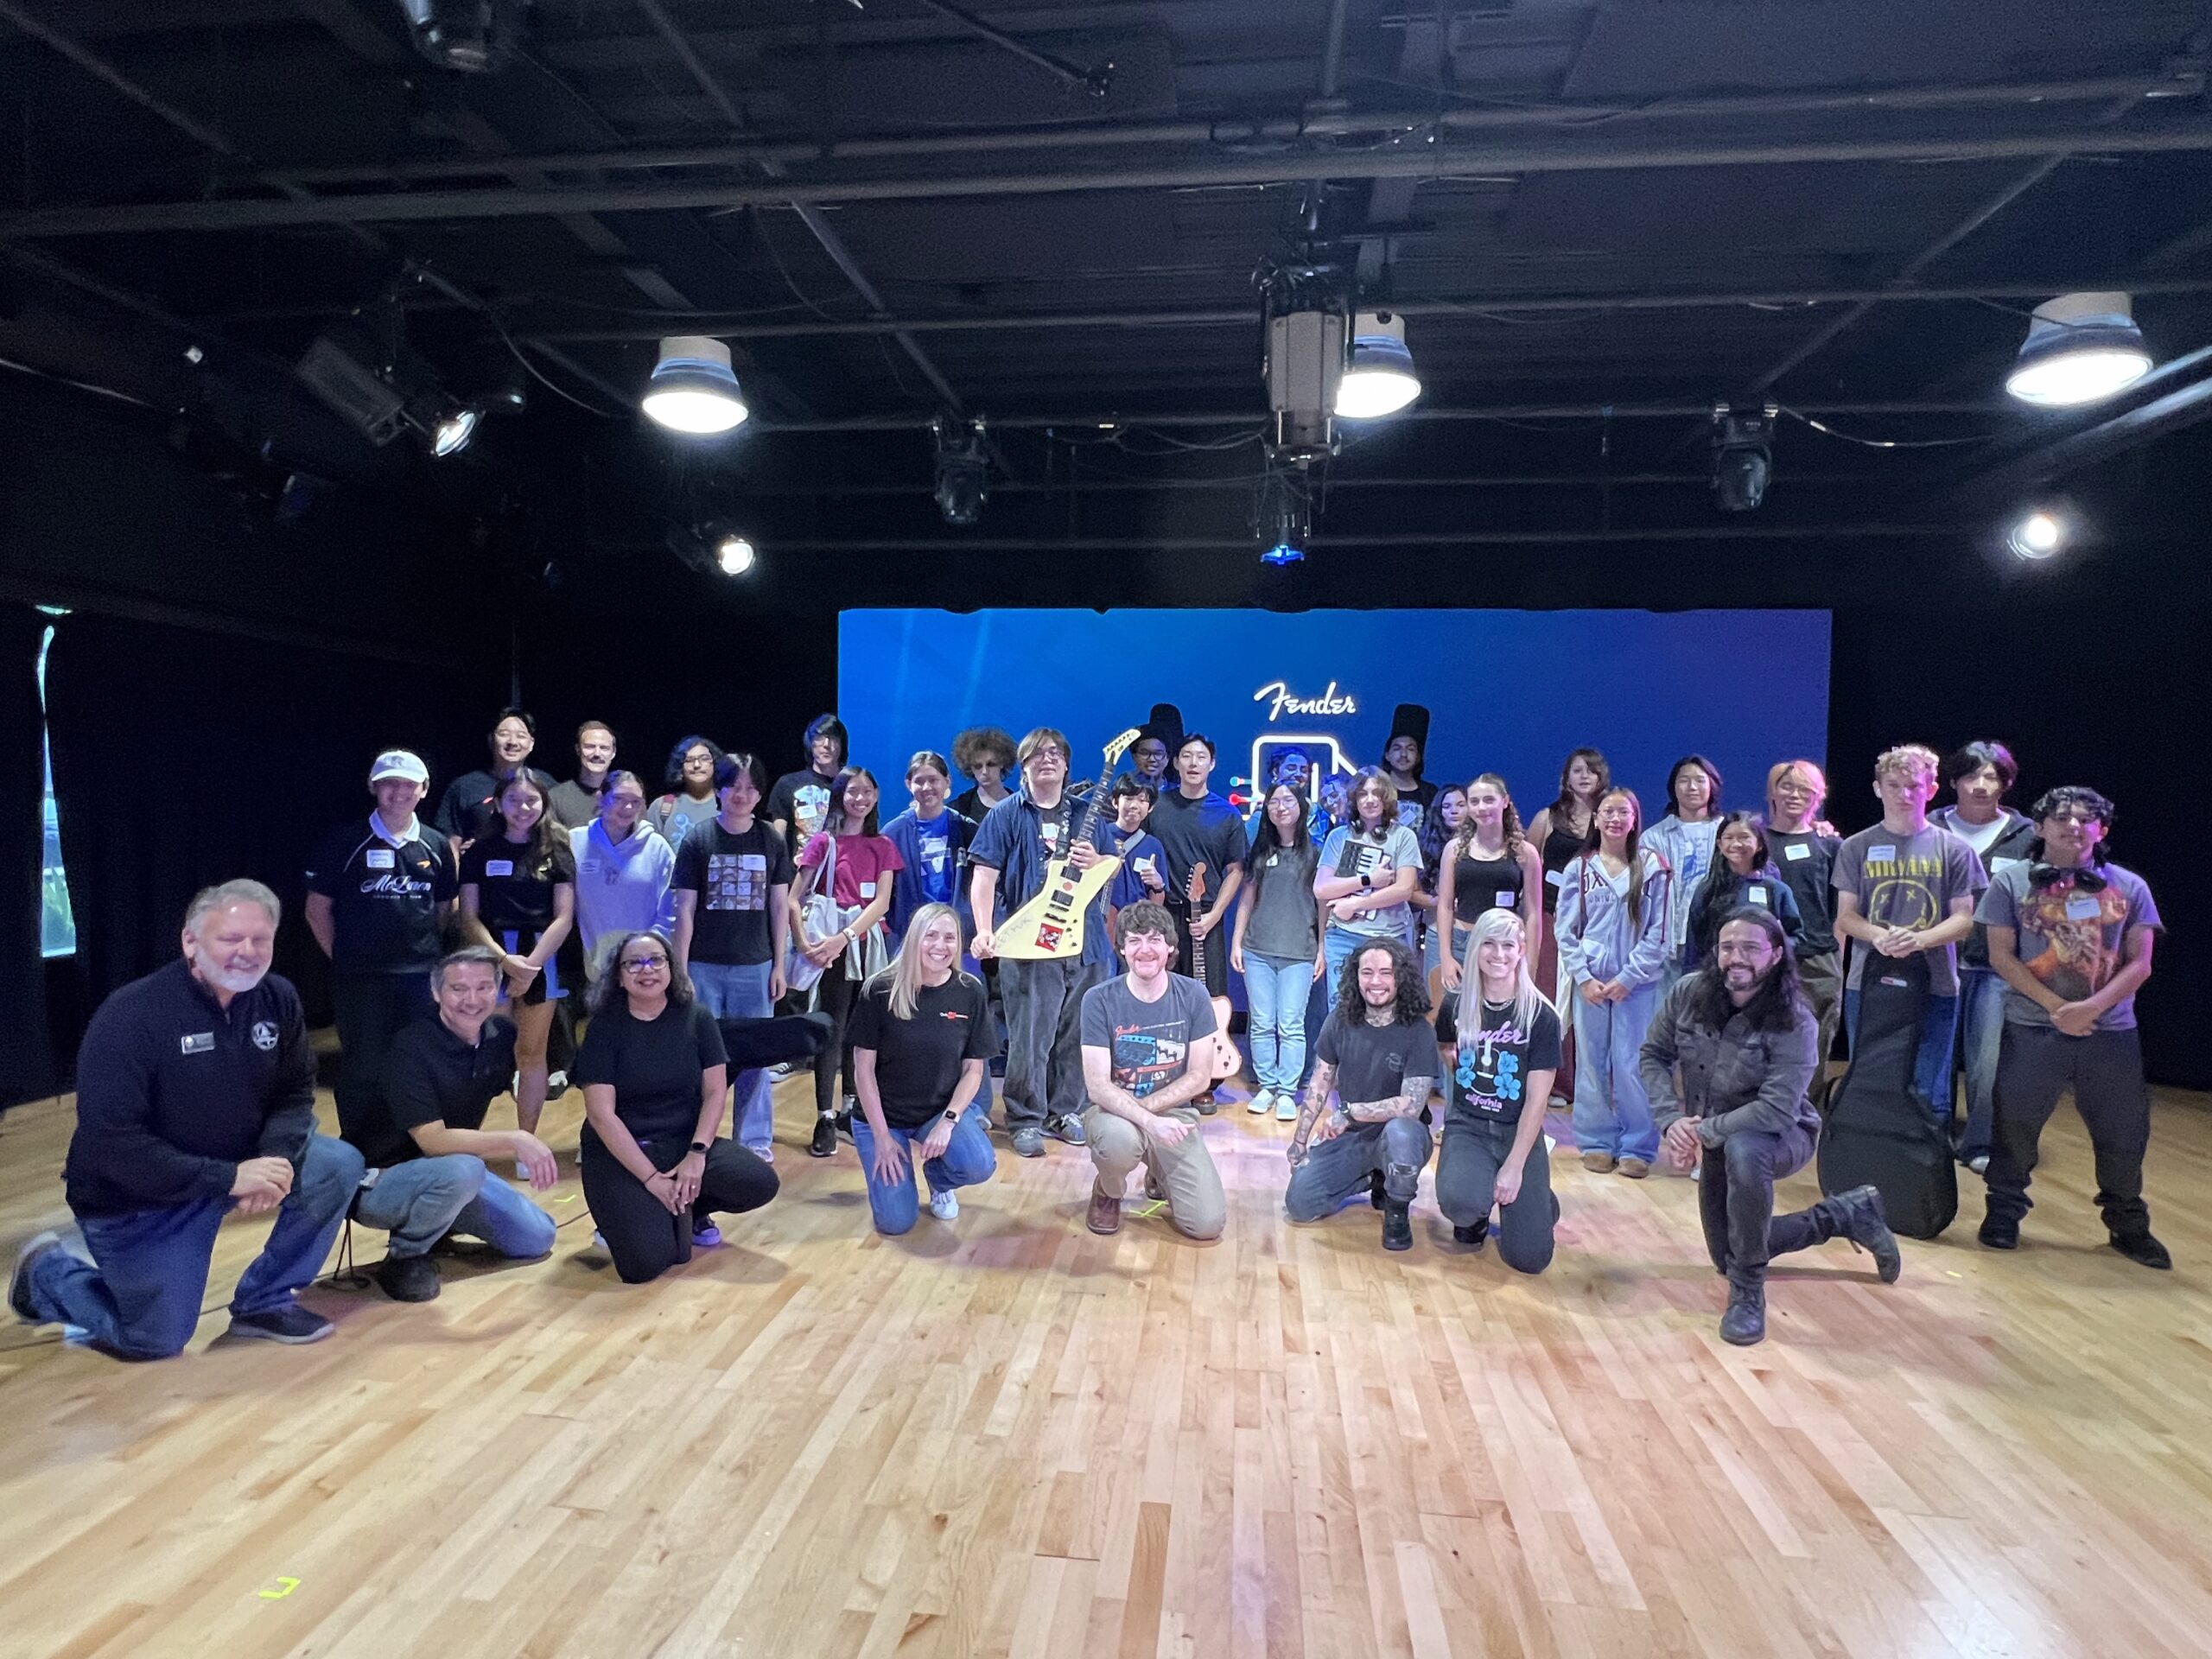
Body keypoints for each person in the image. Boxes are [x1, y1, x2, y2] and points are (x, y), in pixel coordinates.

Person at [10, 881, 364, 1357]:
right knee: (154, 1338)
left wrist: (273, 1162)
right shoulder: (132, 1015)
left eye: (261, 940)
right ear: (190, 942)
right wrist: (229, 1178)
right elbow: (112, 1143)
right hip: (139, 1198)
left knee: (336, 1164)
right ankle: (49, 1273)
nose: (248, 952)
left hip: (235, 1168)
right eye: (231, 939)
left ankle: (266, 1300)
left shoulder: (278, 998)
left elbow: (295, 1093)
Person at [1647, 907, 1901, 1345]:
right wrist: (1672, 1121)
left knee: (1746, 1149)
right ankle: (1844, 1214)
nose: (1736, 957)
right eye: (1728, 947)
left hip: (1783, 1135)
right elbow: (1653, 1054)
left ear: (1776, 954)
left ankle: (1748, 1295)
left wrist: (1700, 1131)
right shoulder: (1688, 992)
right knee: (1728, 1253)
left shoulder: (1796, 1019)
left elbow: (1776, 1110)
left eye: (1750, 947)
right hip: (1716, 1135)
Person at [1976, 787, 2168, 1268]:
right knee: (2014, 1126)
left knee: (2124, 1133)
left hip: (2111, 1032)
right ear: (2039, 827)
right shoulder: (2011, 883)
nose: (2074, 825)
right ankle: (2003, 1214)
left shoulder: (2130, 886)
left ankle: (2128, 1224)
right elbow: (2001, 955)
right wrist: (2058, 1006)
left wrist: (2092, 1009)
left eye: (2088, 819)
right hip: (2032, 1027)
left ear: (2102, 831)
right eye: (2062, 817)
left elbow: (2140, 963)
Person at [345, 947, 560, 1301]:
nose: (471, 999)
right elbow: (433, 1140)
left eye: (483, 987)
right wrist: (518, 1138)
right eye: (458, 989)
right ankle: (405, 1255)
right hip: (380, 1180)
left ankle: (440, 1222)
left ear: (498, 990)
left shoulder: (501, 1036)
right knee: (465, 1169)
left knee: (537, 1237)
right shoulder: (409, 1046)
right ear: (436, 992)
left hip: (448, 1173)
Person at [574, 931, 779, 1285]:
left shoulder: (697, 1018)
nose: (647, 969)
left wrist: (697, 1155)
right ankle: (619, 1219)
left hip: (683, 1142)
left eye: (656, 960)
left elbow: (715, 1093)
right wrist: (652, 1180)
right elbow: (601, 1116)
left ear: (671, 968)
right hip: (622, 1151)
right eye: (634, 963)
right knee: (646, 1264)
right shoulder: (604, 1028)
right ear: (619, 977)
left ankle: (691, 1207)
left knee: (758, 1182)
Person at [306, 748, 458, 1155]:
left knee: (418, 1062)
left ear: (423, 790)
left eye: (408, 784)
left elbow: (444, 910)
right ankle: (361, 1150)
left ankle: (414, 1144)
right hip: (361, 978)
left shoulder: (436, 844)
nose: (399, 792)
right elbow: (317, 910)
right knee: (362, 1066)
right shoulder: (346, 841)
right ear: (373, 787)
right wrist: (342, 956)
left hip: (420, 978)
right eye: (390, 783)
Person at [1833, 744, 1986, 1128]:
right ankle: (1871, 1157)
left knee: (1929, 1080)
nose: (1904, 794)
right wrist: (1880, 936)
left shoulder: (1955, 849)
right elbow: (1847, 917)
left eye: (1914, 786)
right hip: (1867, 982)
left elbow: (1965, 919)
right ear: (1877, 788)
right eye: (1894, 784)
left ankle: (1922, 1163)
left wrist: (1919, 940)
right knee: (1870, 1072)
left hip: (1936, 983)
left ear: (1931, 790)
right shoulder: (1857, 846)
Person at [969, 727, 1107, 1157]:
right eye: (1037, 754)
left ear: (1067, 765)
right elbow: (984, 877)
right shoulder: (1006, 814)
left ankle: (1065, 1110)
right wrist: (984, 929)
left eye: (1056, 754)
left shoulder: (1088, 815)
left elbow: (1107, 871)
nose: (1047, 760)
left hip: (1084, 942)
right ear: (1024, 765)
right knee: (1030, 1035)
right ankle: (1025, 1116)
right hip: (1030, 942)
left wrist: (1097, 860)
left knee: (1075, 1033)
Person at [1077, 901, 1225, 1241]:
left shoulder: (1193, 994)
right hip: (1113, 1114)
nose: (1145, 950)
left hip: (1174, 1118)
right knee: (1118, 1142)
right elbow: (1098, 1087)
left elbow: (1200, 1077)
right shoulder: (1098, 999)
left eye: (1155, 940)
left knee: (1206, 1225)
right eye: (1134, 941)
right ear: (1122, 949)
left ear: (1171, 946)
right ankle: (1108, 1190)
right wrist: (1147, 1122)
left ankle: (1159, 1171)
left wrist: (1150, 1115)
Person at [848, 904, 998, 1234]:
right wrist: (882, 1136)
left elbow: (974, 1070)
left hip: (938, 1112)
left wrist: (948, 1122)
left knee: (979, 1165)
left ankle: (938, 1179)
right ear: (915, 938)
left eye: (949, 938)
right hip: (884, 1119)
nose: (940, 946)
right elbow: (863, 1072)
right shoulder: (879, 989)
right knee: (896, 1223)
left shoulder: (969, 990)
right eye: (931, 936)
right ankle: (896, 1179)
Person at [671, 753, 792, 1160]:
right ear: (719, 789)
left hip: (755, 966)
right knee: (697, 1056)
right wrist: (680, 968)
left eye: (750, 787)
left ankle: (754, 1140)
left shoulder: (771, 840)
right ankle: (688, 1134)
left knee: (755, 1057)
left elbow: (779, 908)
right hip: (702, 966)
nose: (741, 795)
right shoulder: (698, 839)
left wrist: (779, 964)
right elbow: (684, 910)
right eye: (733, 786)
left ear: (760, 793)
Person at [1284, 937, 1438, 1251]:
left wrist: (1349, 1111)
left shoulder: (1419, 1031)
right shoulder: (1339, 1020)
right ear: (1356, 977)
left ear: (1400, 978)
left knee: (1401, 1135)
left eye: (1386, 973)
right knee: (1299, 1204)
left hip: (1401, 1134)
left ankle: (1397, 1208)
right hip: (1353, 1136)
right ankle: (1375, 1176)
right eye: (1367, 973)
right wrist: (1299, 1142)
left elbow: (1410, 1106)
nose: (1376, 982)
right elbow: (1319, 1083)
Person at [1433, 911, 1561, 1273]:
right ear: (1475, 948)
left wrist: (1516, 1167)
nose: (1498, 953)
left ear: (1521, 950)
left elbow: (1537, 1102)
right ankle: (1475, 1208)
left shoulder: (1540, 1016)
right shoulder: (1455, 1004)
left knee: (1530, 1259)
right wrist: (1456, 1062)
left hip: (1516, 1131)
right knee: (1460, 1202)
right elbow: (1446, 1045)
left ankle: (1539, 1203)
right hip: (1468, 1125)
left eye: (1508, 945)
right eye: (1489, 943)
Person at [1932, 741, 2038, 1173]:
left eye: (1992, 776)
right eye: (1972, 775)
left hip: (1997, 966)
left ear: (2005, 783)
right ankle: (1931, 1138)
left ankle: (1978, 1142)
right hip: (1935, 961)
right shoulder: (1930, 826)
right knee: (1934, 1055)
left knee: (1988, 1061)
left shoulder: (2029, 835)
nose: (1981, 785)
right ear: (1954, 781)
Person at [1555, 787, 1672, 1175]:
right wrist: (1584, 977)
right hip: (1590, 986)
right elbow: (1565, 930)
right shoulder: (1581, 868)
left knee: (1632, 1064)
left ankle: (1638, 1146)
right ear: (1596, 818)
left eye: (1623, 812)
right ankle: (1596, 1141)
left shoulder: (1653, 866)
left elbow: (1659, 933)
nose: (1615, 819)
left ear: (1635, 818)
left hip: (1636, 986)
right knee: (1591, 1063)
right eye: (1608, 811)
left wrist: (1628, 976)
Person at [457, 770, 575, 1141]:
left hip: (542, 957)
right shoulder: (479, 850)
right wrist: (504, 962)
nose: (523, 808)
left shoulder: (557, 849)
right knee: (483, 1054)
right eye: (514, 800)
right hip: (489, 958)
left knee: (532, 1054)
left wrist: (530, 965)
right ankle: (465, 1138)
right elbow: (468, 916)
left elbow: (564, 917)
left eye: (531, 801)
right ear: (499, 803)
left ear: (543, 803)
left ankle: (527, 1141)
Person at [792, 767, 904, 1157]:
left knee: (863, 1031)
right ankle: (825, 1114)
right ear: (839, 796)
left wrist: (846, 936)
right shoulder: (823, 842)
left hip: (867, 943)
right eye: (852, 791)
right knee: (832, 1026)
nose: (860, 798)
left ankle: (853, 1111)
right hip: (832, 949)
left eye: (868, 791)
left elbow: (882, 902)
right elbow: (794, 898)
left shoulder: (883, 845)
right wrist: (805, 943)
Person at [1230, 781, 1324, 1120]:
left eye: (1288, 800)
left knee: (1291, 1024)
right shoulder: (1261, 851)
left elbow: (1323, 906)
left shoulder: (1316, 854)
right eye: (1274, 801)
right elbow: (1247, 900)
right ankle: (1267, 1086)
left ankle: (1287, 1090)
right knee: (1261, 1023)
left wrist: (1323, 949)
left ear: (1302, 807)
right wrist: (1237, 942)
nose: (1280, 806)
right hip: (1258, 949)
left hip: (1299, 951)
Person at [1147, 733, 1249, 1039]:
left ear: (1212, 764)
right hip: (1162, 915)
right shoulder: (1157, 808)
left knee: (1207, 995)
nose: (1194, 763)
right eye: (1187, 756)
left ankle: (1208, 1068)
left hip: (1206, 918)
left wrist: (1215, 915)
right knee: (1159, 992)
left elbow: (1236, 870)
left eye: (1201, 757)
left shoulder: (1227, 815)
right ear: (1176, 762)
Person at [1528, 747, 1609, 1106]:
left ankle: (1577, 1085)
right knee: (1547, 997)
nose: (1584, 776)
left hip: (1593, 923)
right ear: (1566, 777)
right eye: (1577, 770)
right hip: (1548, 916)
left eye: (1591, 770)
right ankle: (1544, 1082)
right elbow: (1527, 867)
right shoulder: (1547, 817)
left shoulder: (1609, 817)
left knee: (1584, 1003)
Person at [1313, 768, 1423, 1011]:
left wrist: (1356, 904)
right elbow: (1321, 888)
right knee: (1342, 1015)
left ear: (1387, 798)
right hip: (1343, 938)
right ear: (1354, 800)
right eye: (1363, 794)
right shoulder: (1338, 837)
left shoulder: (1403, 837)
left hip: (1390, 938)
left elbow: (1404, 889)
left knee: (1388, 1014)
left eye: (1376, 793)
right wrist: (1368, 879)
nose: (1370, 800)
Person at [1764, 760, 1845, 1068]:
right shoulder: (1755, 841)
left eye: (1804, 789)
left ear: (1818, 796)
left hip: (1818, 960)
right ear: (1772, 791)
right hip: (1766, 960)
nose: (1794, 795)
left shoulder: (1831, 845)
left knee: (1816, 1044)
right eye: (1786, 786)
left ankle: (1809, 1114)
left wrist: (1836, 961)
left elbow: (1840, 910)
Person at [1435, 774, 1545, 995]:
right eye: (1474, 802)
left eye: (1488, 800)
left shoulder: (1525, 852)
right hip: (1462, 943)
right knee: (1454, 1019)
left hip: (1504, 949)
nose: (1481, 807)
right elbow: (1445, 906)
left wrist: (1530, 966)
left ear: (1504, 802)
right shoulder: (1455, 849)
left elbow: (1533, 913)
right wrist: (1446, 957)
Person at [569, 770, 677, 986]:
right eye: (618, 799)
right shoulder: (575, 842)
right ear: (601, 798)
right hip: (595, 969)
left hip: (646, 968)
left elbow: (671, 909)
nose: (627, 808)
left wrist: (647, 953)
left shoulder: (658, 848)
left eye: (635, 802)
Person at [1683, 811, 1804, 971]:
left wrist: (1773, 949)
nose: (1736, 844)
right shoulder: (1707, 889)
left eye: (1744, 837)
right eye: (1729, 838)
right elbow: (1694, 944)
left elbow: (1797, 937)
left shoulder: (1776, 890)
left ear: (1759, 844)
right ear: (1719, 845)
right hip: (1716, 978)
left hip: (1765, 978)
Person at [882, 750, 977, 950]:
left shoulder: (968, 830)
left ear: (947, 781)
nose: (926, 787)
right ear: (909, 785)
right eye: (919, 781)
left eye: (933, 780)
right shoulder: (892, 834)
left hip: (958, 938)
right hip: (908, 937)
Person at [1643, 753, 1724, 990]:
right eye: (1684, 780)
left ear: (1712, 785)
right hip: (1667, 944)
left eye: (1700, 780)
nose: (1692, 787)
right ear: (1673, 787)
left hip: (1714, 941)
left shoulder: (1728, 833)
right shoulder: (1653, 838)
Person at [432, 708, 557, 855]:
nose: (513, 742)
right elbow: (451, 844)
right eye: (504, 734)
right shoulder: (464, 787)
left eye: (521, 736)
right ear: (491, 740)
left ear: (531, 744)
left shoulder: (547, 785)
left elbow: (555, 833)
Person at [1100, 772, 1169, 950]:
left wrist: (1157, 884)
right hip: (1101, 923)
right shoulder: (1099, 837)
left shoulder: (1154, 845)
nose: (1134, 805)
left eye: (1142, 800)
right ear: (1115, 802)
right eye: (1128, 798)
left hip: (1137, 926)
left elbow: (1158, 897)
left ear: (1150, 808)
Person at [768, 713, 849, 854]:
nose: (826, 745)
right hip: (799, 871)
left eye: (833, 738)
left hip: (843, 869)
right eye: (820, 737)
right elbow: (778, 839)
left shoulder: (852, 786)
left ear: (842, 744)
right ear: (810, 742)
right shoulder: (788, 784)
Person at [1410, 781, 1467, 970]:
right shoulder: (1425, 847)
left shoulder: (1482, 846)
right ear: (1438, 811)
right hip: (1435, 929)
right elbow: (1411, 893)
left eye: (1461, 805)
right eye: (1447, 806)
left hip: (1474, 929)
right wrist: (1440, 902)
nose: (1454, 811)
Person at [648, 735, 725, 849]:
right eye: (689, 760)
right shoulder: (662, 807)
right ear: (680, 767)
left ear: (715, 764)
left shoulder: (730, 804)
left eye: (704, 759)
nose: (697, 765)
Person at [549, 720, 618, 830]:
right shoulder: (556, 798)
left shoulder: (627, 797)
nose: (597, 754)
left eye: (604, 748)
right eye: (590, 747)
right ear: (578, 750)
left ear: (613, 752)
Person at [1382, 703, 1437, 841]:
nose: (1403, 754)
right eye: (1397, 748)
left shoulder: (1431, 793)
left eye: (1410, 749)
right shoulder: (1377, 790)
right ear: (1387, 755)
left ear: (1418, 757)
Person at [950, 726, 1017, 824]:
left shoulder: (1020, 806)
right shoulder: (959, 809)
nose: (985, 771)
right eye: (978, 766)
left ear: (1002, 763)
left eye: (991, 764)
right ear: (970, 768)